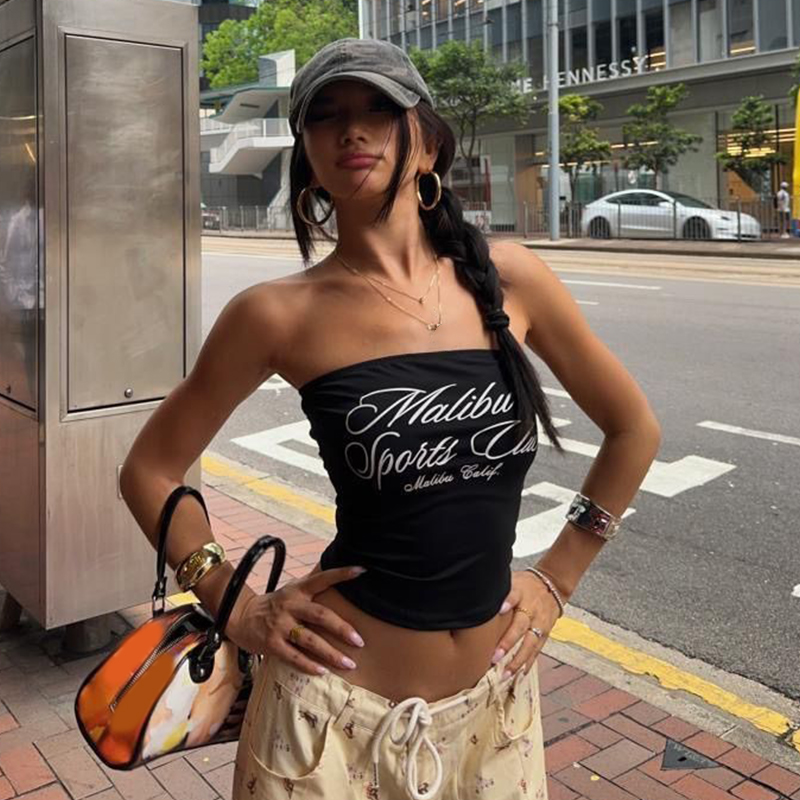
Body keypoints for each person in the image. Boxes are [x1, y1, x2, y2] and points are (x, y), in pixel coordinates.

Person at [120, 38, 661, 800]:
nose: (354, 129)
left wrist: (558, 578)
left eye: (380, 108)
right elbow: (148, 470)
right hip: (325, 727)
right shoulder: (276, 314)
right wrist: (232, 602)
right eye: (327, 115)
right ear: (307, 155)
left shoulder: (510, 280)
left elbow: (634, 429)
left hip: (495, 720)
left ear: (427, 143)